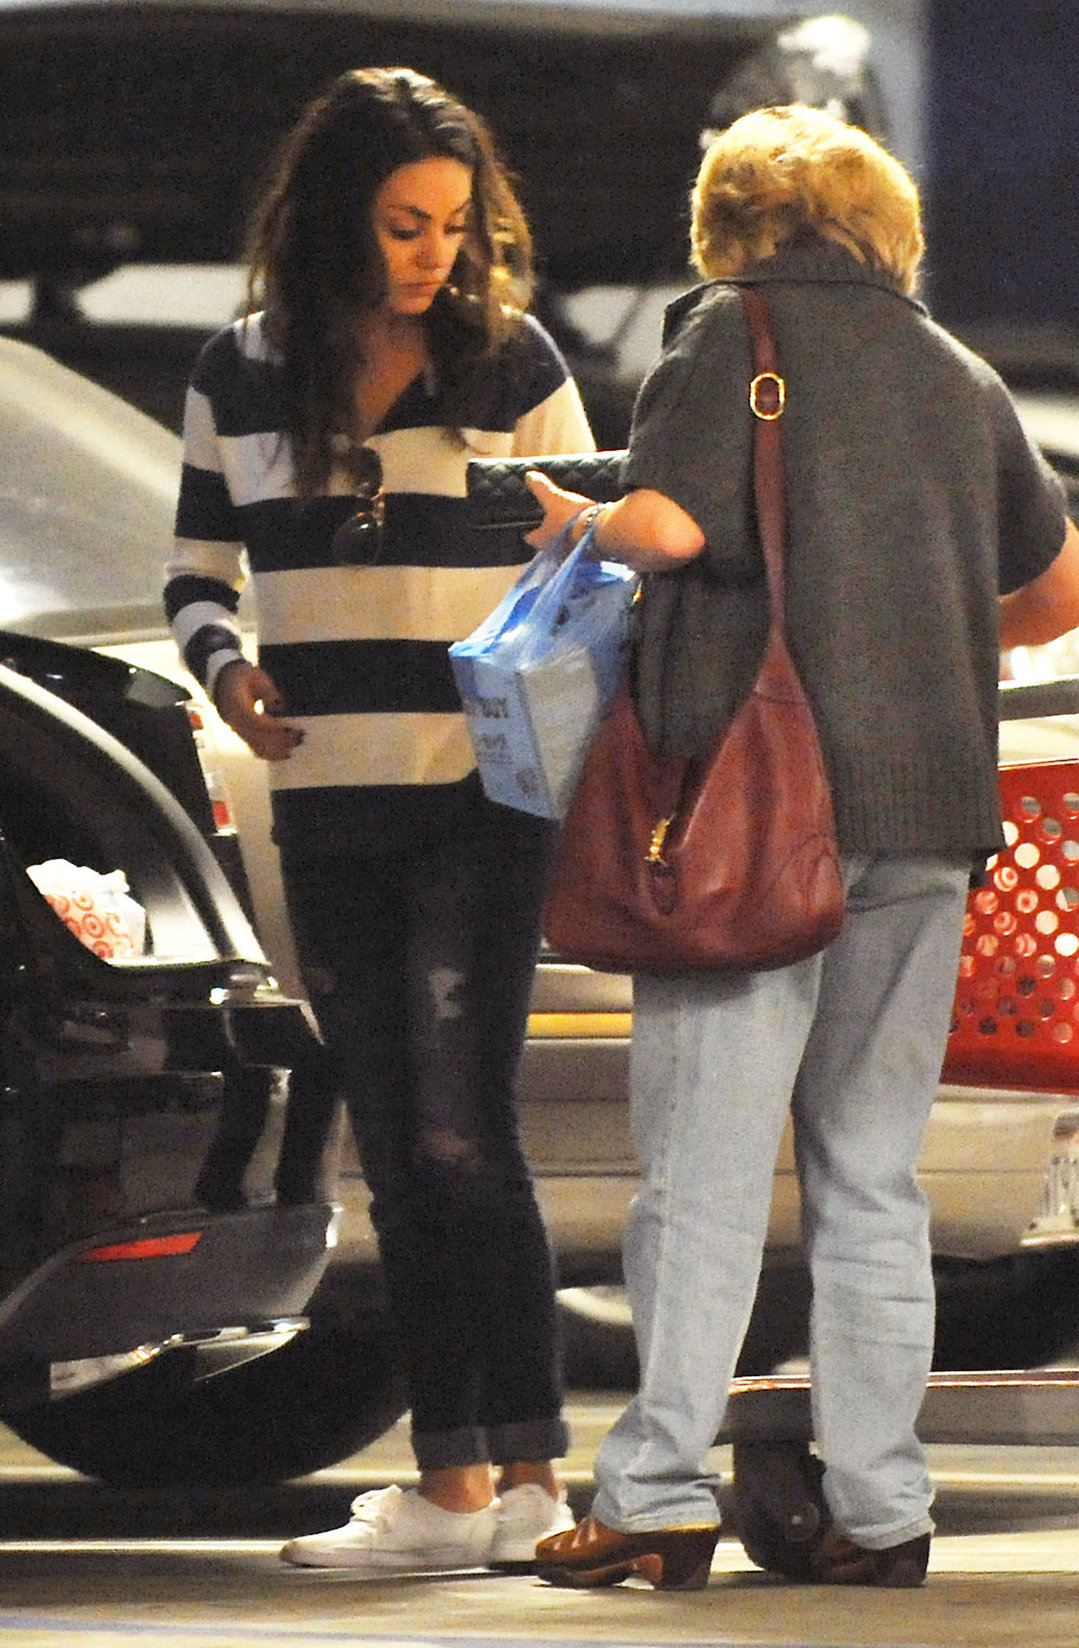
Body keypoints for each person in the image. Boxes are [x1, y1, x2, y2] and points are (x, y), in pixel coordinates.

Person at [522, 104, 1079, 1592]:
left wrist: (576, 521)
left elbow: (675, 528)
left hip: (754, 820)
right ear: (875, 219)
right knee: (872, 1180)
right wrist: (911, 632)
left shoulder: (731, 335)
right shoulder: (958, 375)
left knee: (702, 1178)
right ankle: (882, 1512)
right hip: (928, 816)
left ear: (735, 220)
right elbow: (1054, 587)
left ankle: (649, 1501)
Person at [165, 66, 594, 1573]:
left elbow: (586, 572)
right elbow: (196, 577)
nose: (437, 256)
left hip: (485, 794)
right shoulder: (238, 375)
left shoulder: (516, 363)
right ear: (337, 218)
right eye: (408, 226)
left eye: (457, 228)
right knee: (395, 1147)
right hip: (328, 796)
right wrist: (229, 678)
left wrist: (573, 547)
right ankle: (462, 1487)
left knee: (468, 1131)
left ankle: (526, 1476)